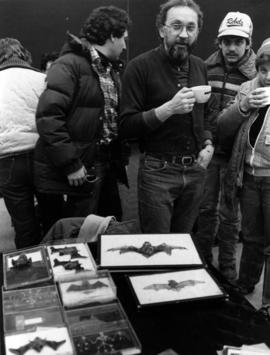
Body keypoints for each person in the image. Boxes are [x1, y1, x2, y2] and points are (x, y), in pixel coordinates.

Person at [119, 0, 217, 233]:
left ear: (197, 32)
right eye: (176, 26)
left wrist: (208, 142)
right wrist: (168, 109)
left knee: (183, 244)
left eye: (191, 28)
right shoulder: (138, 67)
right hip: (157, 172)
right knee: (158, 248)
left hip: (195, 170)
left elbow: (205, 113)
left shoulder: (199, 66)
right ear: (162, 29)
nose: (184, 34)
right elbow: (126, 126)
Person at [34, 6, 131, 234]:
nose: (125, 46)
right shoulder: (69, 65)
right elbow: (48, 117)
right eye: (123, 39)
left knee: (107, 226)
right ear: (111, 36)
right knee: (77, 233)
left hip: (103, 162)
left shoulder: (109, 69)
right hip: (79, 168)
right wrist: (71, 164)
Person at [195, 12, 256, 281]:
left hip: (236, 155)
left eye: (238, 42)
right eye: (227, 41)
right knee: (205, 208)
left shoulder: (257, 74)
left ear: (248, 43)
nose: (232, 47)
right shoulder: (204, 68)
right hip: (208, 150)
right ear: (219, 42)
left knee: (230, 213)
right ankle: (204, 259)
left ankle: (228, 264)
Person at [217, 38, 270, 295]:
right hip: (248, 176)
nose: (268, 77)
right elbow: (223, 127)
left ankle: (269, 302)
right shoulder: (249, 87)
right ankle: (246, 284)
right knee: (251, 237)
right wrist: (244, 104)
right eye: (263, 70)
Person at [0, 38, 46, 248]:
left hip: (7, 160)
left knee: (23, 225)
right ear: (24, 55)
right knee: (52, 217)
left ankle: (30, 275)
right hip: (43, 158)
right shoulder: (42, 79)